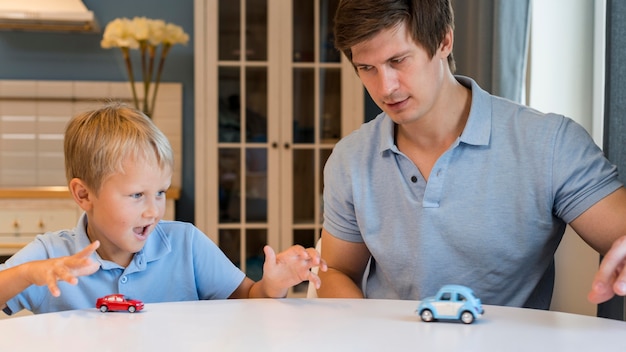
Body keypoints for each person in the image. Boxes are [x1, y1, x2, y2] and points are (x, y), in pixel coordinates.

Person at [317, 0, 626, 309]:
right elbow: (337, 271)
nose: (385, 87)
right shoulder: (351, 158)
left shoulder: (549, 143)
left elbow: (620, 232)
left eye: (398, 61)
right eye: (367, 68)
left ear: (443, 41)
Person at [0, 102, 327, 316]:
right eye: (136, 195)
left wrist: (273, 285)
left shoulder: (186, 243)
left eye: (160, 192)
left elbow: (250, 303)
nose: (153, 210)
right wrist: (29, 274)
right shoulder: (52, 256)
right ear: (84, 194)